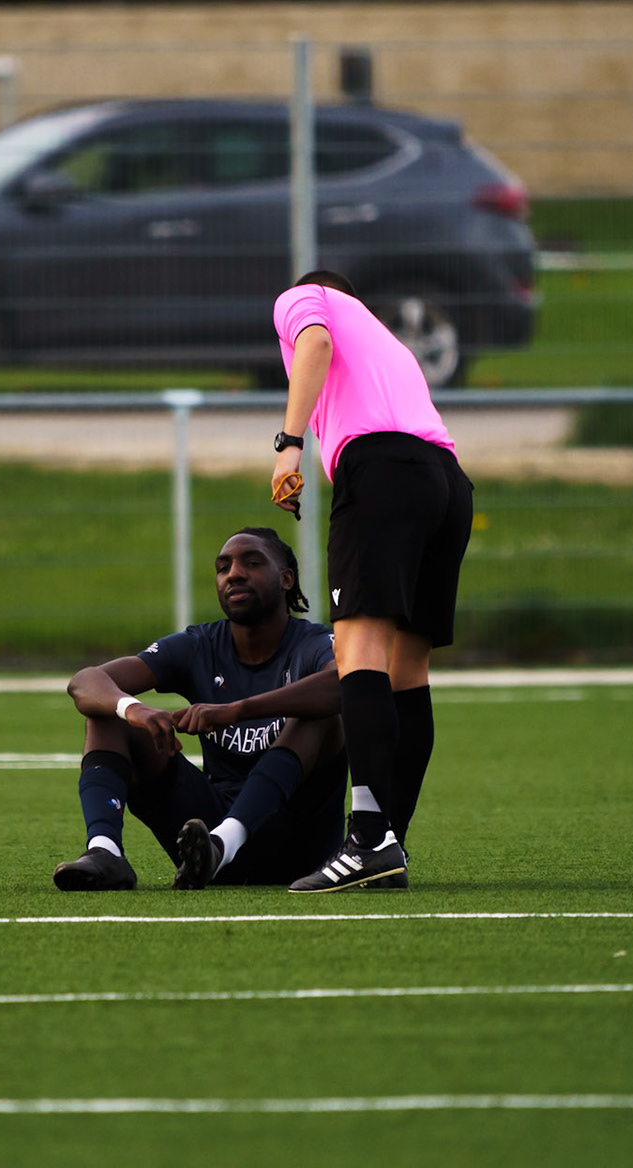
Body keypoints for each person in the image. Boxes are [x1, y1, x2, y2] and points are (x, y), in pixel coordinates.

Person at [269, 271, 474, 893]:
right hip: (447, 481)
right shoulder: (390, 344)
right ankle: (389, 845)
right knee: (408, 671)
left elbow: (315, 342)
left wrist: (288, 445)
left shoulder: (307, 297)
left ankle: (366, 840)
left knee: (357, 652)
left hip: (382, 470)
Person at [53, 528, 345, 891]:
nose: (234, 574)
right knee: (108, 712)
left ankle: (226, 842)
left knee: (321, 713)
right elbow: (85, 682)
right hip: (204, 845)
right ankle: (105, 850)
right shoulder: (200, 644)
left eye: (252, 563)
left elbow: (345, 683)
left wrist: (237, 710)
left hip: (299, 850)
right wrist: (133, 709)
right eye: (223, 568)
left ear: (286, 579)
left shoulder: (313, 642)